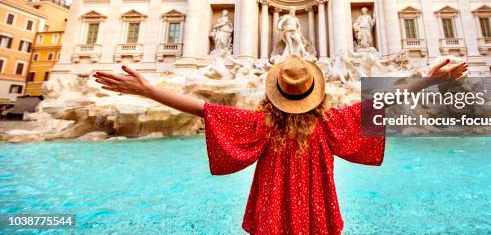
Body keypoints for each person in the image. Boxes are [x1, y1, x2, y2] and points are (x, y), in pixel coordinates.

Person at [93, 56, 467, 235]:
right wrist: (429, 80)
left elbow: (201, 109)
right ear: (315, 95)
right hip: (317, 212)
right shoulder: (331, 122)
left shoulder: (260, 124)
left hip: (271, 213)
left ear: (274, 95)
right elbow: (387, 100)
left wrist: (148, 90)